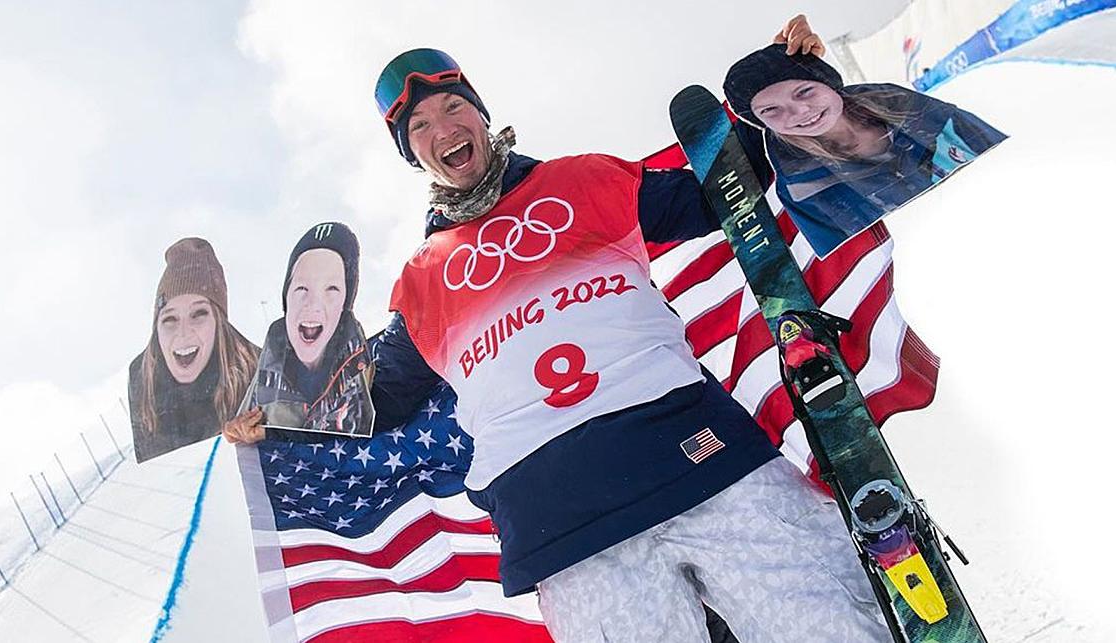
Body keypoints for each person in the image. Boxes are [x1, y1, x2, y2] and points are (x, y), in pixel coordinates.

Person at [224, 16, 888, 643]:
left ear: (480, 115)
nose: (443, 126)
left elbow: (719, 194)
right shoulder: (425, 278)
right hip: (564, 526)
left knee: (831, 622)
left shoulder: (581, 179)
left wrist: (781, 86)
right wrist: (279, 413)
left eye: (454, 107)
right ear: (414, 155)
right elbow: (379, 397)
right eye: (420, 125)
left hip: (700, 454)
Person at [724, 42, 1006, 258]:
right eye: (771, 110)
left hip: (997, 213)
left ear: (828, 82)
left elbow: (993, 149)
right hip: (933, 260)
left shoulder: (905, 107)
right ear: (760, 122)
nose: (800, 112)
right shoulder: (802, 189)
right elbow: (854, 264)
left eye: (805, 91)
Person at [230, 222, 374, 443]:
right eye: (301, 289)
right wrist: (237, 431)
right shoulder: (272, 360)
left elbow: (351, 446)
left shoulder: (361, 363)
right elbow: (241, 435)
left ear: (345, 303)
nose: (313, 305)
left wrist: (272, 435)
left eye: (331, 289)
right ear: (286, 296)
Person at [129, 237, 259, 463]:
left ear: (219, 322)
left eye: (199, 314)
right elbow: (154, 466)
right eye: (170, 318)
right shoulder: (142, 374)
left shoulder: (257, 366)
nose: (183, 333)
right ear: (156, 326)